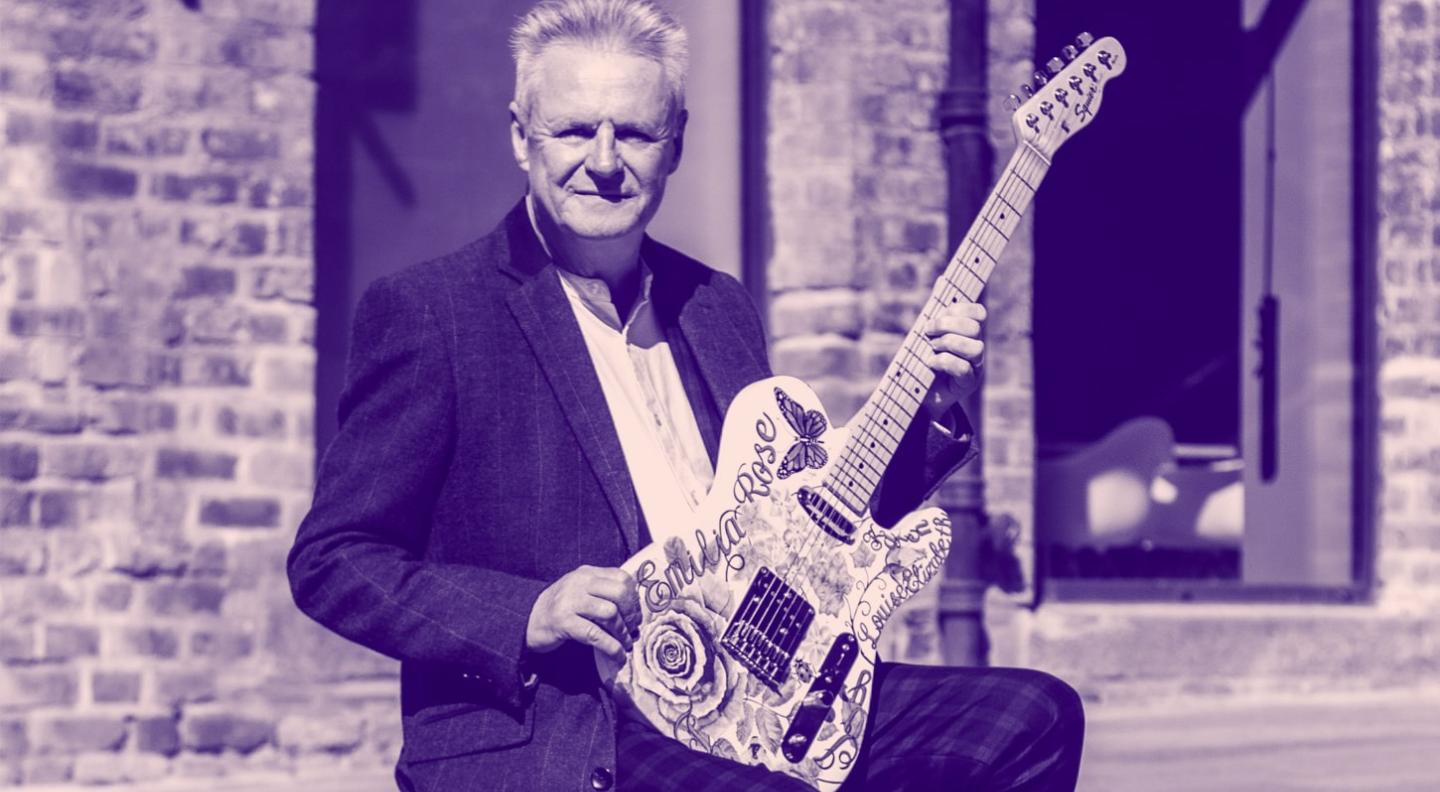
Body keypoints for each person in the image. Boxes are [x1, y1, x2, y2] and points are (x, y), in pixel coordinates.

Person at [287, 1, 1084, 790]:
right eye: (573, 130)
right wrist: (529, 613)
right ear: (519, 137)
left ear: (676, 145)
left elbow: (822, 530)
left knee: (1034, 715)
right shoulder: (434, 312)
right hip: (572, 719)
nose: (604, 161)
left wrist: (932, 408)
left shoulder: (719, 306)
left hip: (769, 681)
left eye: (634, 133)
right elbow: (334, 561)